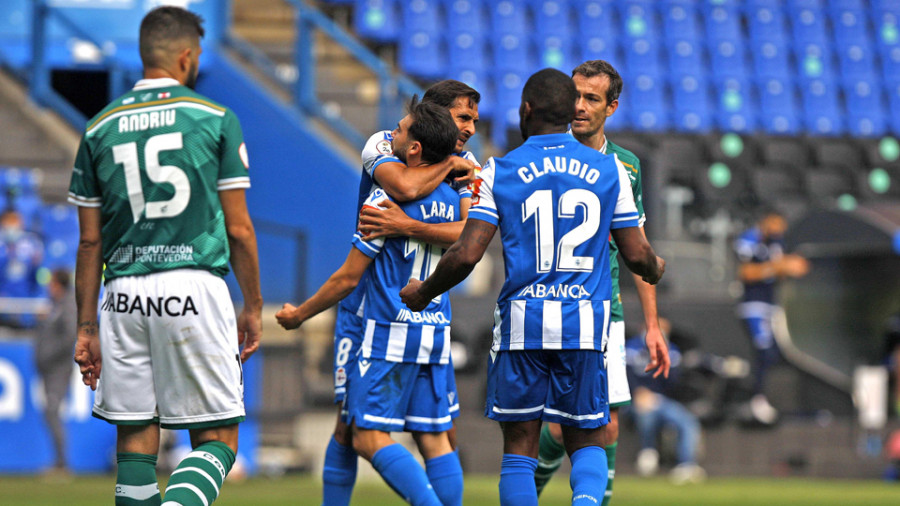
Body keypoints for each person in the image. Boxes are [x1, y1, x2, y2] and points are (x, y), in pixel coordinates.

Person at [400, 68, 665, 506]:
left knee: (520, 449)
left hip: (524, 326)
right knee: (589, 440)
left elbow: (467, 254)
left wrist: (423, 292)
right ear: (568, 111)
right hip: (584, 326)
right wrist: (656, 268)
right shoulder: (610, 169)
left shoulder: (499, 170)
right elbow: (638, 256)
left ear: (526, 110)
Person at [69, 7, 262, 505]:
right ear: (185, 56)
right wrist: (254, 306)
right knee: (218, 439)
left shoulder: (97, 129)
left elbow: (89, 242)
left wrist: (85, 327)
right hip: (191, 287)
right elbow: (239, 229)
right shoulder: (215, 119)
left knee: (135, 437)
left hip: (122, 293)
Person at [292, 80, 479, 506]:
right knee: (367, 426)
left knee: (365, 430)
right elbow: (408, 188)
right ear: (435, 114)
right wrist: (450, 166)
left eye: (473, 120)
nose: (469, 129)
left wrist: (407, 225)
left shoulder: (465, 164)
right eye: (463, 117)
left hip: (383, 313)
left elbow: (468, 237)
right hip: (388, 316)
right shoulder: (384, 144)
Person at [534, 60, 670, 505]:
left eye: (592, 98)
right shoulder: (545, 154)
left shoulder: (625, 167)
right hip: (547, 304)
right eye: (575, 95)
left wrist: (651, 325)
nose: (580, 106)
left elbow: (637, 249)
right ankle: (527, 491)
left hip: (603, 309)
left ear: (611, 107)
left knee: (605, 423)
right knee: (556, 427)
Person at [734, 209, 809, 424]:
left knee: (776, 354)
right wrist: (779, 266)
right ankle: (755, 399)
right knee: (764, 350)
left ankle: (767, 398)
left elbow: (781, 269)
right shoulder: (750, 239)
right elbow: (746, 273)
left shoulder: (777, 243)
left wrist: (792, 267)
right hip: (754, 305)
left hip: (772, 305)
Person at [625, 322, 706, 485]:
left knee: (687, 421)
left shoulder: (671, 349)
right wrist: (637, 393)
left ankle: (686, 464)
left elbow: (673, 383)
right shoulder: (631, 347)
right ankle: (648, 453)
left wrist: (663, 356)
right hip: (634, 400)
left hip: (662, 400)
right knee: (646, 413)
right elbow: (623, 374)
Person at [34, 268, 77, 475]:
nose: (49, 287)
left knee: (52, 411)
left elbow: (69, 338)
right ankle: (59, 462)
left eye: (51, 282)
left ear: (59, 284)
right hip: (48, 369)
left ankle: (61, 464)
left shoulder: (67, 305)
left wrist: (48, 355)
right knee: (50, 412)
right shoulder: (54, 305)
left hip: (58, 370)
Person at [0, 208, 44, 327]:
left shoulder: (32, 245)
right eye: (8, 221)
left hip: (25, 299)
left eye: (15, 221)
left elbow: (38, 275)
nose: (12, 225)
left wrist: (38, 297)